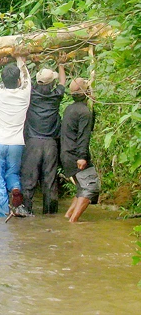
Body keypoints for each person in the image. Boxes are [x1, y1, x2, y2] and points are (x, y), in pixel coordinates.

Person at [21, 54, 67, 215]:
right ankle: (50, 214)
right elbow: (63, 82)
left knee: (28, 180)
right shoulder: (56, 96)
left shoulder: (30, 95)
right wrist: (61, 64)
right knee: (50, 181)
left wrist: (30, 62)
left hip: (32, 143)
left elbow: (25, 82)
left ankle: (26, 210)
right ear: (52, 83)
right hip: (50, 144)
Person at [0, 51, 31, 217]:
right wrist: (20, 59)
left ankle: (4, 212)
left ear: (3, 82)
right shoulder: (24, 94)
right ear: (18, 81)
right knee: (12, 173)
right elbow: (27, 79)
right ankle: (15, 189)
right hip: (16, 143)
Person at [62, 78, 100, 223]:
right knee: (91, 187)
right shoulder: (84, 112)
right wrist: (82, 157)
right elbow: (84, 135)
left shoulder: (70, 109)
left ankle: (68, 217)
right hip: (76, 155)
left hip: (66, 154)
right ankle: (74, 222)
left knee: (81, 188)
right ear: (86, 92)